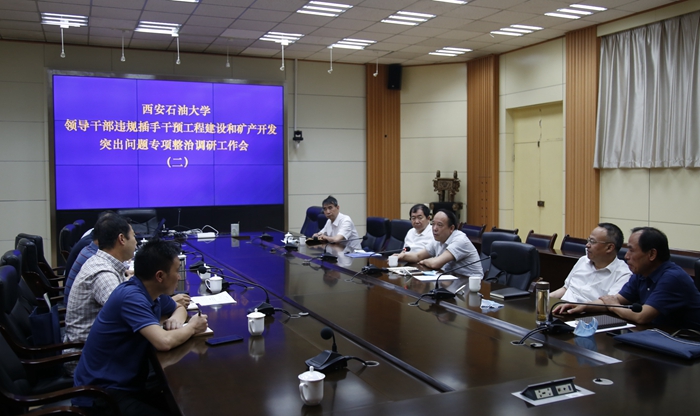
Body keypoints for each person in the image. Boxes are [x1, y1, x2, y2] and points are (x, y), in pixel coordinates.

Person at [73, 239, 208, 415]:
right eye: (176, 271)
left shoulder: (151, 290)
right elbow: (164, 342)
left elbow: (179, 307)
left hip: (128, 382)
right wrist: (192, 327)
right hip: (102, 393)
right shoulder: (131, 297)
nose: (179, 277)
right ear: (160, 276)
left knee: (184, 400)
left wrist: (176, 319)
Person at [554, 227, 700, 329]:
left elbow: (641, 316)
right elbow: (616, 299)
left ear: (651, 254)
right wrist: (582, 306)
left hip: (687, 342)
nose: (626, 256)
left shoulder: (672, 278)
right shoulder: (641, 274)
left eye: (631, 250)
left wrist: (612, 306)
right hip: (658, 335)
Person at [64, 214, 137, 348]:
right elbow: (131, 314)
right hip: (89, 354)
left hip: (99, 346)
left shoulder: (101, 261)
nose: (136, 242)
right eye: (133, 236)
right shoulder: (103, 274)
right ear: (122, 239)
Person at [550, 223, 631, 303]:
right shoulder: (583, 260)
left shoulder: (623, 274)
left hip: (586, 310)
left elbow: (608, 304)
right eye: (588, 240)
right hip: (560, 306)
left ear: (609, 248)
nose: (587, 245)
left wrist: (577, 307)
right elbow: (566, 288)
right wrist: (545, 298)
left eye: (592, 241)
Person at [397, 209, 483, 277]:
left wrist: (424, 261)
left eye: (439, 225)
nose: (434, 228)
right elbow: (418, 256)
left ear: (451, 228)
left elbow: (436, 263)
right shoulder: (438, 239)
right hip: (451, 279)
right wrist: (402, 256)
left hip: (470, 283)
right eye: (433, 224)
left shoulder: (460, 240)